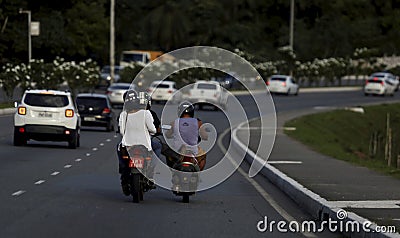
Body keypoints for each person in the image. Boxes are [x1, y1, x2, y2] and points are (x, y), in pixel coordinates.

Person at [117, 90, 157, 196]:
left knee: (121, 157)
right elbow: (153, 129)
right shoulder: (146, 113)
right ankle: (150, 177)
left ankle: (124, 172)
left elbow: (122, 131)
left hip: (128, 147)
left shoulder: (123, 115)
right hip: (145, 147)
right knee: (153, 160)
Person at [166, 102, 208, 170]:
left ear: (180, 111)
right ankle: (198, 172)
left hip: (177, 151)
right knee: (203, 155)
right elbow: (205, 137)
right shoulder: (198, 122)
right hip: (193, 150)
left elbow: (167, 135)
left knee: (168, 154)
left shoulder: (174, 122)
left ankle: (172, 170)